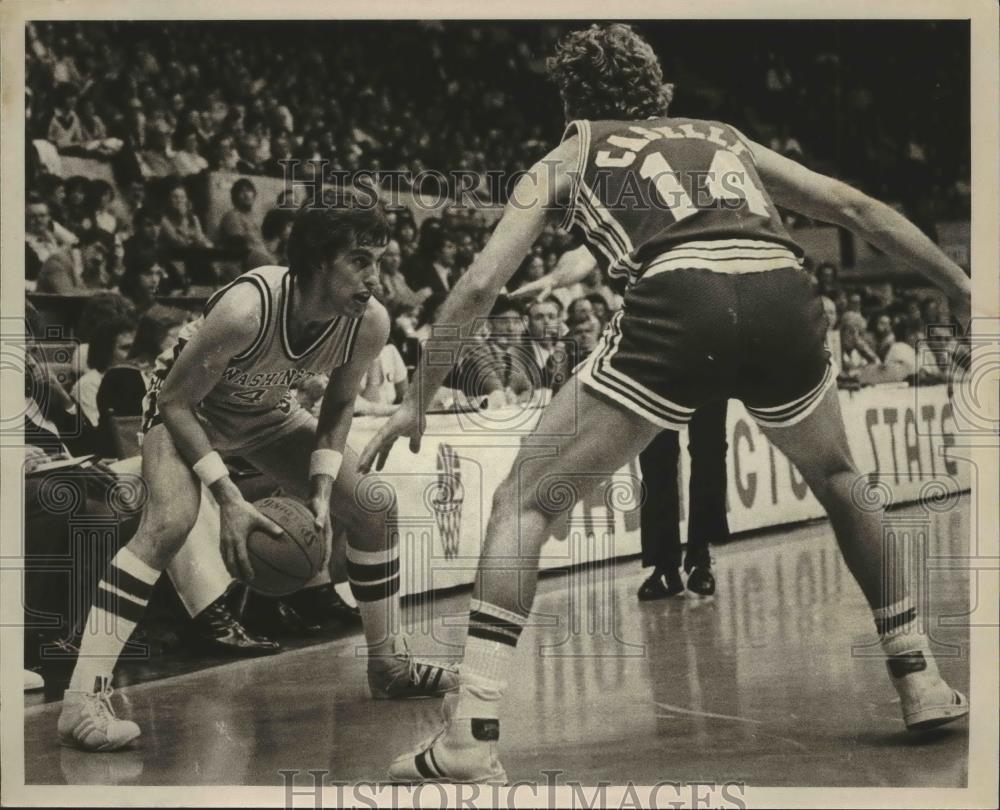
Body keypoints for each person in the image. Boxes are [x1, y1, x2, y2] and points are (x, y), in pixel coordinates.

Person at [360, 24, 971, 782]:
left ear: (571, 100)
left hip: (681, 300)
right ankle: (918, 677)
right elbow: (859, 207)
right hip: (784, 288)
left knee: (524, 504)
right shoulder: (725, 136)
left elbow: (482, 283)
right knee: (842, 480)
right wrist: (966, 289)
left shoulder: (575, 147)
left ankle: (471, 735)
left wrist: (418, 399)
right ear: (659, 91)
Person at [57, 194, 458, 753]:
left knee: (372, 507)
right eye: (360, 261)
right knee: (172, 519)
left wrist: (320, 484)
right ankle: (82, 699)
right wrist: (225, 495)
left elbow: (339, 407)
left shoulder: (368, 321)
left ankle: (389, 667)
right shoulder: (248, 308)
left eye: (378, 259)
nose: (375, 276)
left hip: (265, 413)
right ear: (318, 261)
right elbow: (174, 402)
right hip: (186, 410)